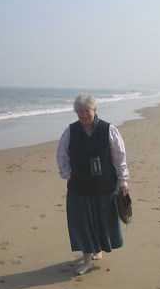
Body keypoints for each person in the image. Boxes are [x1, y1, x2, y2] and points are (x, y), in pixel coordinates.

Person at [56, 93, 130, 275]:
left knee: (101, 221)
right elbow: (61, 156)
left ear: (94, 110)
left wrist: (123, 181)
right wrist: (69, 175)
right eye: (79, 111)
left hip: (104, 186)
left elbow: (119, 158)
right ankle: (87, 260)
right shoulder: (70, 132)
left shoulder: (109, 130)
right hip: (79, 188)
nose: (83, 115)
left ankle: (97, 249)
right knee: (81, 223)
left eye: (87, 111)